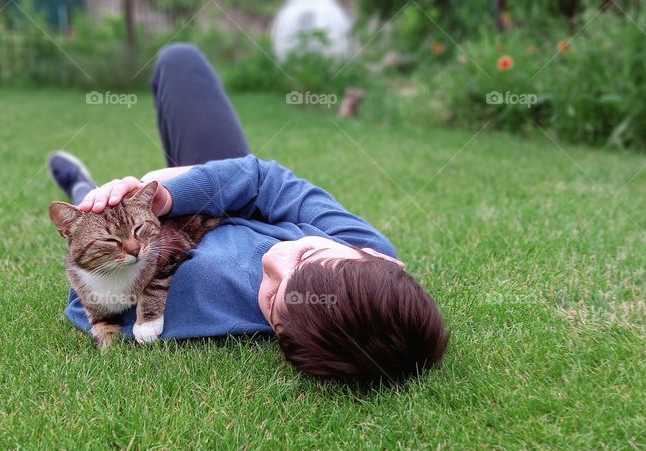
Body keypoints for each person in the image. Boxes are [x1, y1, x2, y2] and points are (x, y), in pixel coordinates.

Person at [47, 43, 448, 384]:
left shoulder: (209, 289)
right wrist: (170, 193)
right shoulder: (365, 249)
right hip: (229, 192)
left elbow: (83, 302)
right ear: (385, 260)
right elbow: (263, 179)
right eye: (306, 253)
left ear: (278, 333)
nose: (275, 258)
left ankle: (84, 189)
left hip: (159, 235)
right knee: (180, 59)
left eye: (271, 299)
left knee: (99, 209)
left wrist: (95, 218)